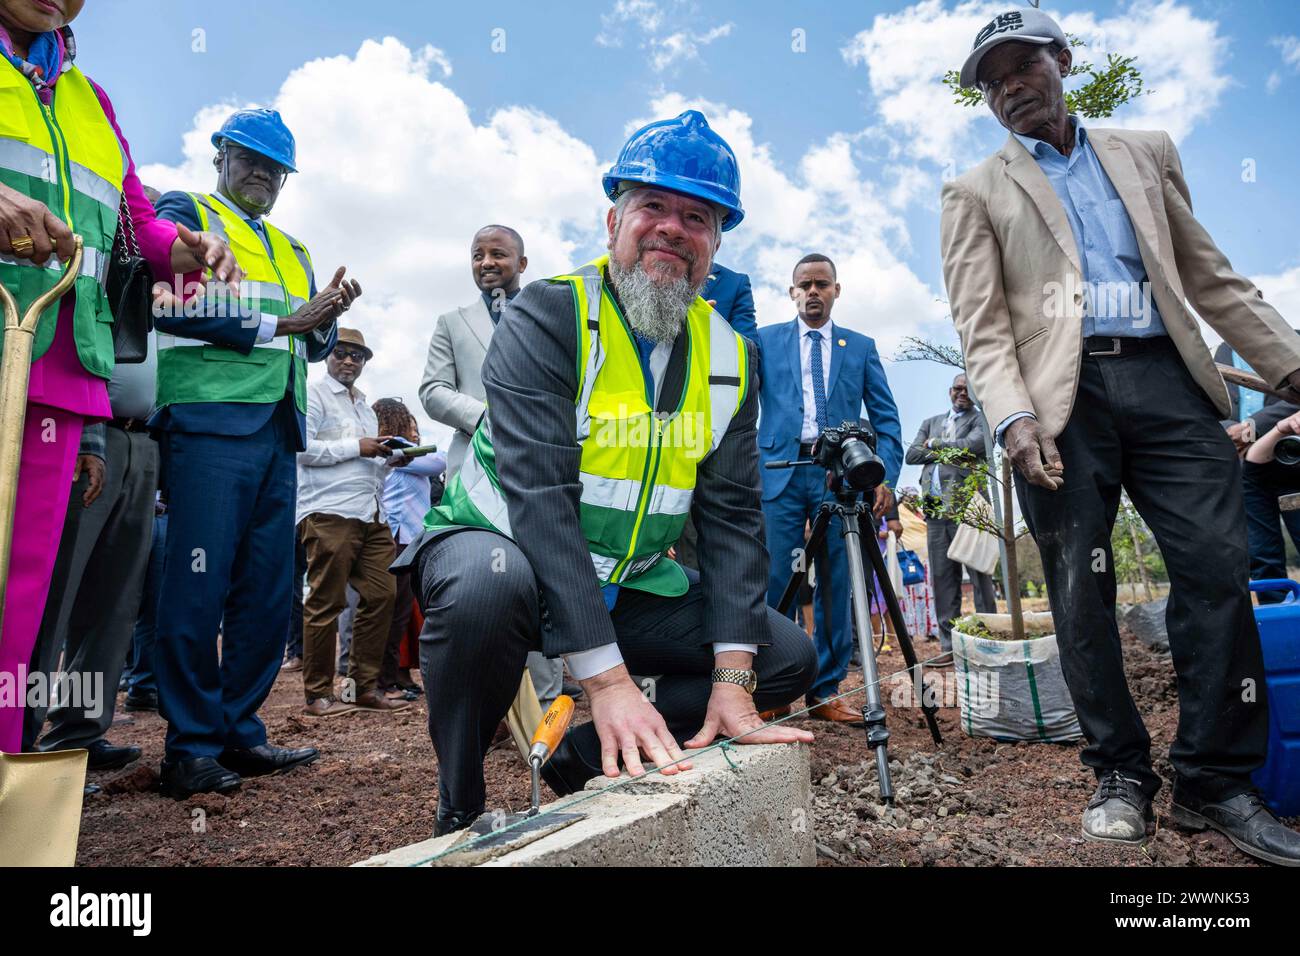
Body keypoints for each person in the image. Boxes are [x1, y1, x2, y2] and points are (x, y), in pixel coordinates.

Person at [942, 7, 1300, 862]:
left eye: (1021, 67)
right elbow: (982, 325)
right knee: (1079, 589)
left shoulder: (1146, 152)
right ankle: (1120, 774)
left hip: (1169, 380)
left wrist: (1288, 366)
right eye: (991, 84)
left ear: (1062, 60)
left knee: (1218, 571)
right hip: (1062, 402)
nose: (1008, 90)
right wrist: (1013, 415)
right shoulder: (975, 190)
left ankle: (1215, 781)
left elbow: (1208, 274)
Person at [394, 110, 816, 836]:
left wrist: (734, 682)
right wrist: (610, 682)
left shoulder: (731, 358)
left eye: (697, 216)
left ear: (716, 242)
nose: (672, 229)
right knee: (484, 590)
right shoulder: (550, 315)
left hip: (631, 580)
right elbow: (541, 500)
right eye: (652, 206)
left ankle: (582, 762)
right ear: (613, 218)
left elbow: (734, 523)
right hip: (506, 550)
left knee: (783, 656)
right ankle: (460, 807)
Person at [0, 0, 240, 753]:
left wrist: (187, 247)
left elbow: (134, 223)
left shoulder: (89, 101)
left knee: (20, 597)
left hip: (61, 373)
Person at [150, 108, 356, 797]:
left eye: (276, 168)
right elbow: (165, 298)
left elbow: (308, 340)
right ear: (221, 156)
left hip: (279, 431)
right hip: (211, 421)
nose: (263, 175)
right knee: (196, 587)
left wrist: (325, 316)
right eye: (251, 160)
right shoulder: (187, 210)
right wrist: (283, 322)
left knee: (266, 594)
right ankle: (190, 748)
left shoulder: (293, 249)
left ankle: (240, 733)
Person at [417, 224, 563, 706]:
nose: (486, 262)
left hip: (544, 469)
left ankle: (543, 705)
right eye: (477, 254)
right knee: (485, 587)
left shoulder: (551, 317)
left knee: (545, 578)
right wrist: (487, 416)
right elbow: (433, 391)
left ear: (522, 264)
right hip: (475, 474)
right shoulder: (451, 322)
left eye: (498, 254)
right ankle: (489, 705)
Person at [755, 253, 903, 723]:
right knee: (778, 579)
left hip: (839, 476)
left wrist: (887, 477)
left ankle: (824, 691)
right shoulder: (763, 342)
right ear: (792, 291)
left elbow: (886, 418)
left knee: (837, 582)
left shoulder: (859, 346)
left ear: (837, 289)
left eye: (822, 284)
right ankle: (776, 688)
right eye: (805, 285)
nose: (813, 292)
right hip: (779, 468)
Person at [24, 326, 162, 766]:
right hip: (87, 434)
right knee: (53, 599)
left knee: (115, 603)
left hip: (142, 439)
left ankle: (76, 734)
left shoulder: (167, 291)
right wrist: (88, 434)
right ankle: (19, 737)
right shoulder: (105, 263)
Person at [297, 328, 406, 716]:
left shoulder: (365, 406)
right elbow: (301, 448)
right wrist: (356, 446)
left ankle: (361, 687)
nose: (348, 361)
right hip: (329, 511)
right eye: (341, 353)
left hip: (371, 511)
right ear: (327, 355)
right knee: (326, 602)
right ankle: (318, 694)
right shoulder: (312, 394)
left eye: (357, 356)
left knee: (383, 594)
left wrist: (391, 458)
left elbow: (366, 460)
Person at [904, 373, 996, 663]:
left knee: (980, 574)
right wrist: (944, 447)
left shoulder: (981, 418)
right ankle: (950, 647)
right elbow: (911, 454)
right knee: (943, 579)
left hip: (969, 508)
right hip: (934, 511)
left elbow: (972, 447)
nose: (962, 393)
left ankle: (987, 640)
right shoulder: (930, 422)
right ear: (949, 391)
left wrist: (933, 446)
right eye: (958, 388)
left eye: (968, 390)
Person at [1215, 338, 1300, 604]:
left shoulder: (1291, 340)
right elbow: (1211, 402)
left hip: (1291, 459)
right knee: (1262, 556)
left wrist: (1251, 428)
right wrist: (1231, 432)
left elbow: (1295, 399)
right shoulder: (1220, 353)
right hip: (1246, 469)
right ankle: (1278, 625)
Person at [375, 399, 444, 698]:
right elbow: (439, 462)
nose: (414, 433)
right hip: (399, 536)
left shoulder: (388, 450)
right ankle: (388, 679)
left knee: (402, 611)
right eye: (410, 424)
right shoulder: (396, 447)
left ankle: (397, 676)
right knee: (396, 611)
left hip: (407, 536)